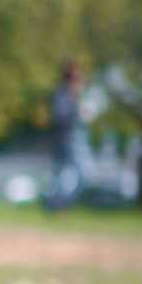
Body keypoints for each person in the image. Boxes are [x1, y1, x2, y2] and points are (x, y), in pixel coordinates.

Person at [45, 59, 89, 212]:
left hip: (68, 139)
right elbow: (60, 116)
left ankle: (57, 205)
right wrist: (76, 111)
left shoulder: (70, 95)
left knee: (62, 175)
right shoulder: (64, 94)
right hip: (68, 139)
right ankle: (58, 204)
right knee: (79, 174)